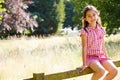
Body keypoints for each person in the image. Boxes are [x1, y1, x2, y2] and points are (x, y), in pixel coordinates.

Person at [80, 5, 118, 80]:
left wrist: (107, 57)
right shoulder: (85, 31)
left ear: (97, 15)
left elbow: (102, 45)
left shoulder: (101, 29)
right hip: (91, 58)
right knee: (101, 71)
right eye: (89, 16)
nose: (92, 18)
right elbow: (84, 47)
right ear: (85, 19)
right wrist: (84, 64)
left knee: (114, 71)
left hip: (101, 56)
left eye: (94, 15)